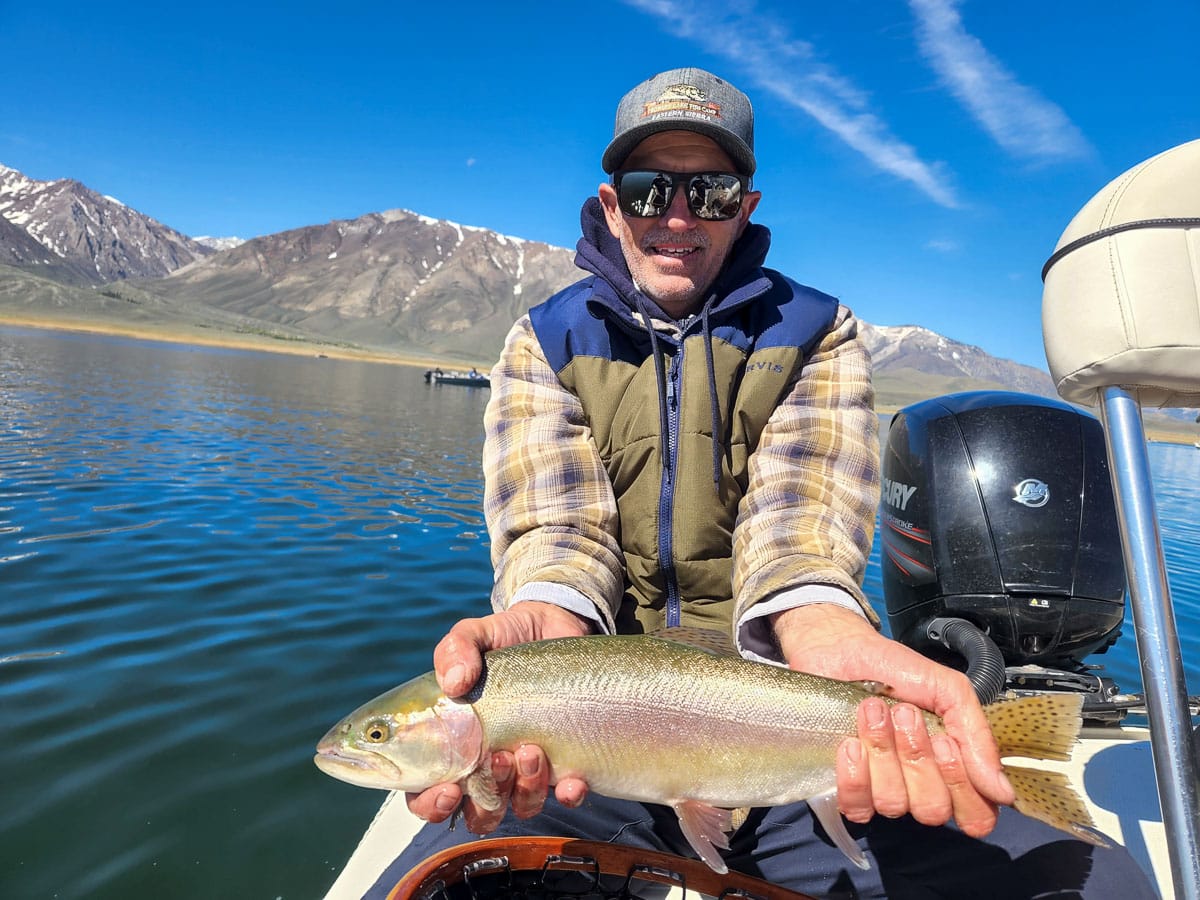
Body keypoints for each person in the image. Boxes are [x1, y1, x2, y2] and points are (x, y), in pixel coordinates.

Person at [371, 68, 1155, 898]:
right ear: (612, 204)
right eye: (649, 190)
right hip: (588, 752)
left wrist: (831, 640)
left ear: (745, 205)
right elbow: (559, 535)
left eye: (710, 191)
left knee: (1092, 882)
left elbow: (800, 535)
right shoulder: (543, 342)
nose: (677, 216)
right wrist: (546, 618)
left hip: (789, 732)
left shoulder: (818, 333)